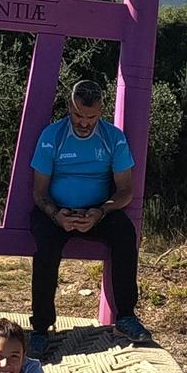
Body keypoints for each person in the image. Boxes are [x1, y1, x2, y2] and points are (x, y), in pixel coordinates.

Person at [27, 80, 148, 358]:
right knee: (45, 246)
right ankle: (41, 328)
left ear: (101, 111)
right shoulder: (52, 136)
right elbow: (39, 192)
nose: (84, 123)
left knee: (125, 233)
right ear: (69, 106)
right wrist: (56, 215)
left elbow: (126, 190)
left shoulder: (113, 138)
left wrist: (101, 211)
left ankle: (126, 317)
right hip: (56, 211)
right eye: (78, 115)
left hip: (98, 211)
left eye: (91, 117)